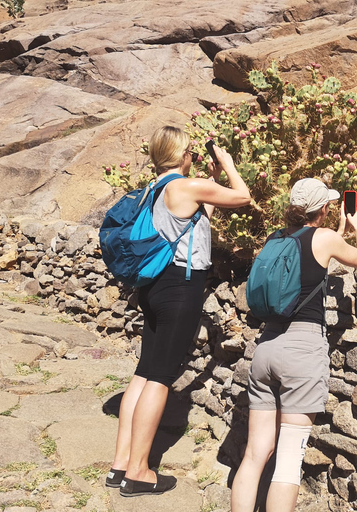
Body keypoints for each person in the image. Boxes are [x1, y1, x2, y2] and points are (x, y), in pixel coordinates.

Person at [106, 126, 252, 497]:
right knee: (160, 378)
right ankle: (140, 472)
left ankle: (121, 464)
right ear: (182, 154)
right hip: (180, 289)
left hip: (154, 287)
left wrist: (211, 179)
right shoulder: (184, 186)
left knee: (144, 373)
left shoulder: (154, 190)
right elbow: (244, 197)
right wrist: (229, 165)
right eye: (191, 152)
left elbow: (198, 215)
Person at [231, 178, 357, 512]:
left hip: (267, 347)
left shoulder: (276, 238)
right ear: (323, 208)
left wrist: (336, 229)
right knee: (288, 460)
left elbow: (309, 257)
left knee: (254, 454)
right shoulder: (325, 238)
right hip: (301, 350)